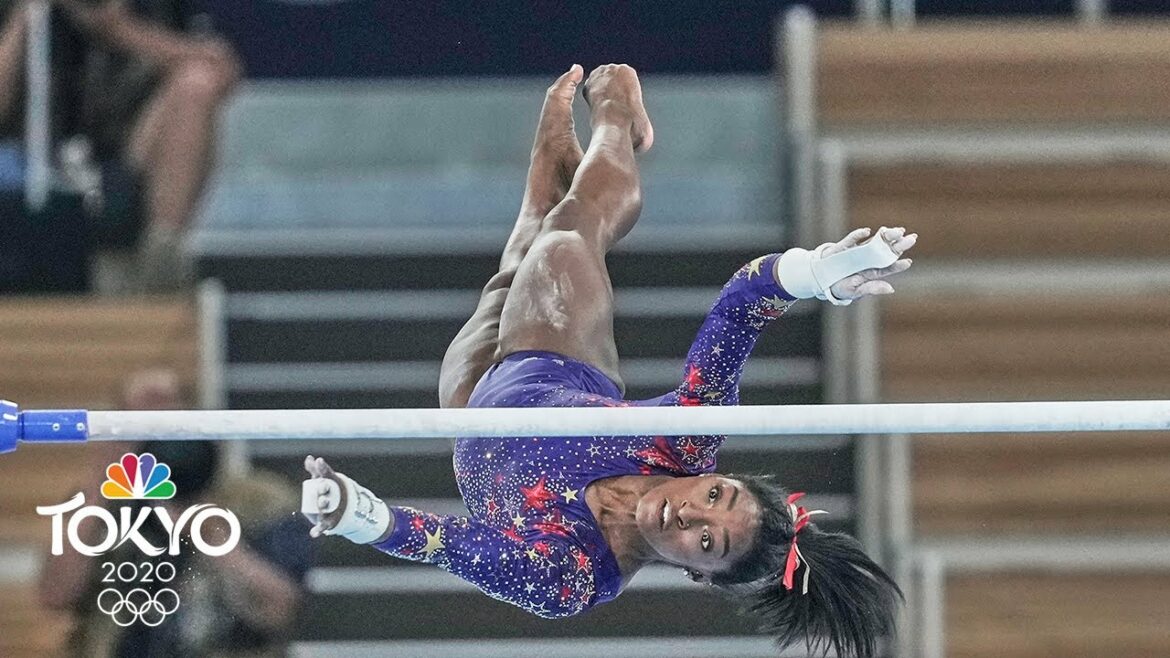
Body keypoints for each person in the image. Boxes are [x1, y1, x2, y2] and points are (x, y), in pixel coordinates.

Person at [302, 64, 913, 657]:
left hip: (472, 408)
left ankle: (559, 160)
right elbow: (739, 308)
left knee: (519, 260)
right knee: (568, 236)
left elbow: (447, 542)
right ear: (718, 476)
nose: (690, 513)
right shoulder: (684, 438)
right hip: (559, 358)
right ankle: (617, 112)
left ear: (698, 575)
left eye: (707, 542)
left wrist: (355, 514)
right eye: (716, 496)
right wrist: (820, 273)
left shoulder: (570, 578)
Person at [41, 370, 313, 658]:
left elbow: (282, 610)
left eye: (168, 414)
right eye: (140, 420)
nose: (159, 437)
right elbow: (55, 594)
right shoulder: (99, 507)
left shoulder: (262, 502)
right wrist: (101, 483)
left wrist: (213, 537)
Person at [0, 0, 240, 291]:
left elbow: (221, 68)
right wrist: (26, 17)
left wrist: (119, 31)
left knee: (196, 85)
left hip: (131, 152)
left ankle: (160, 260)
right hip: (26, 166)